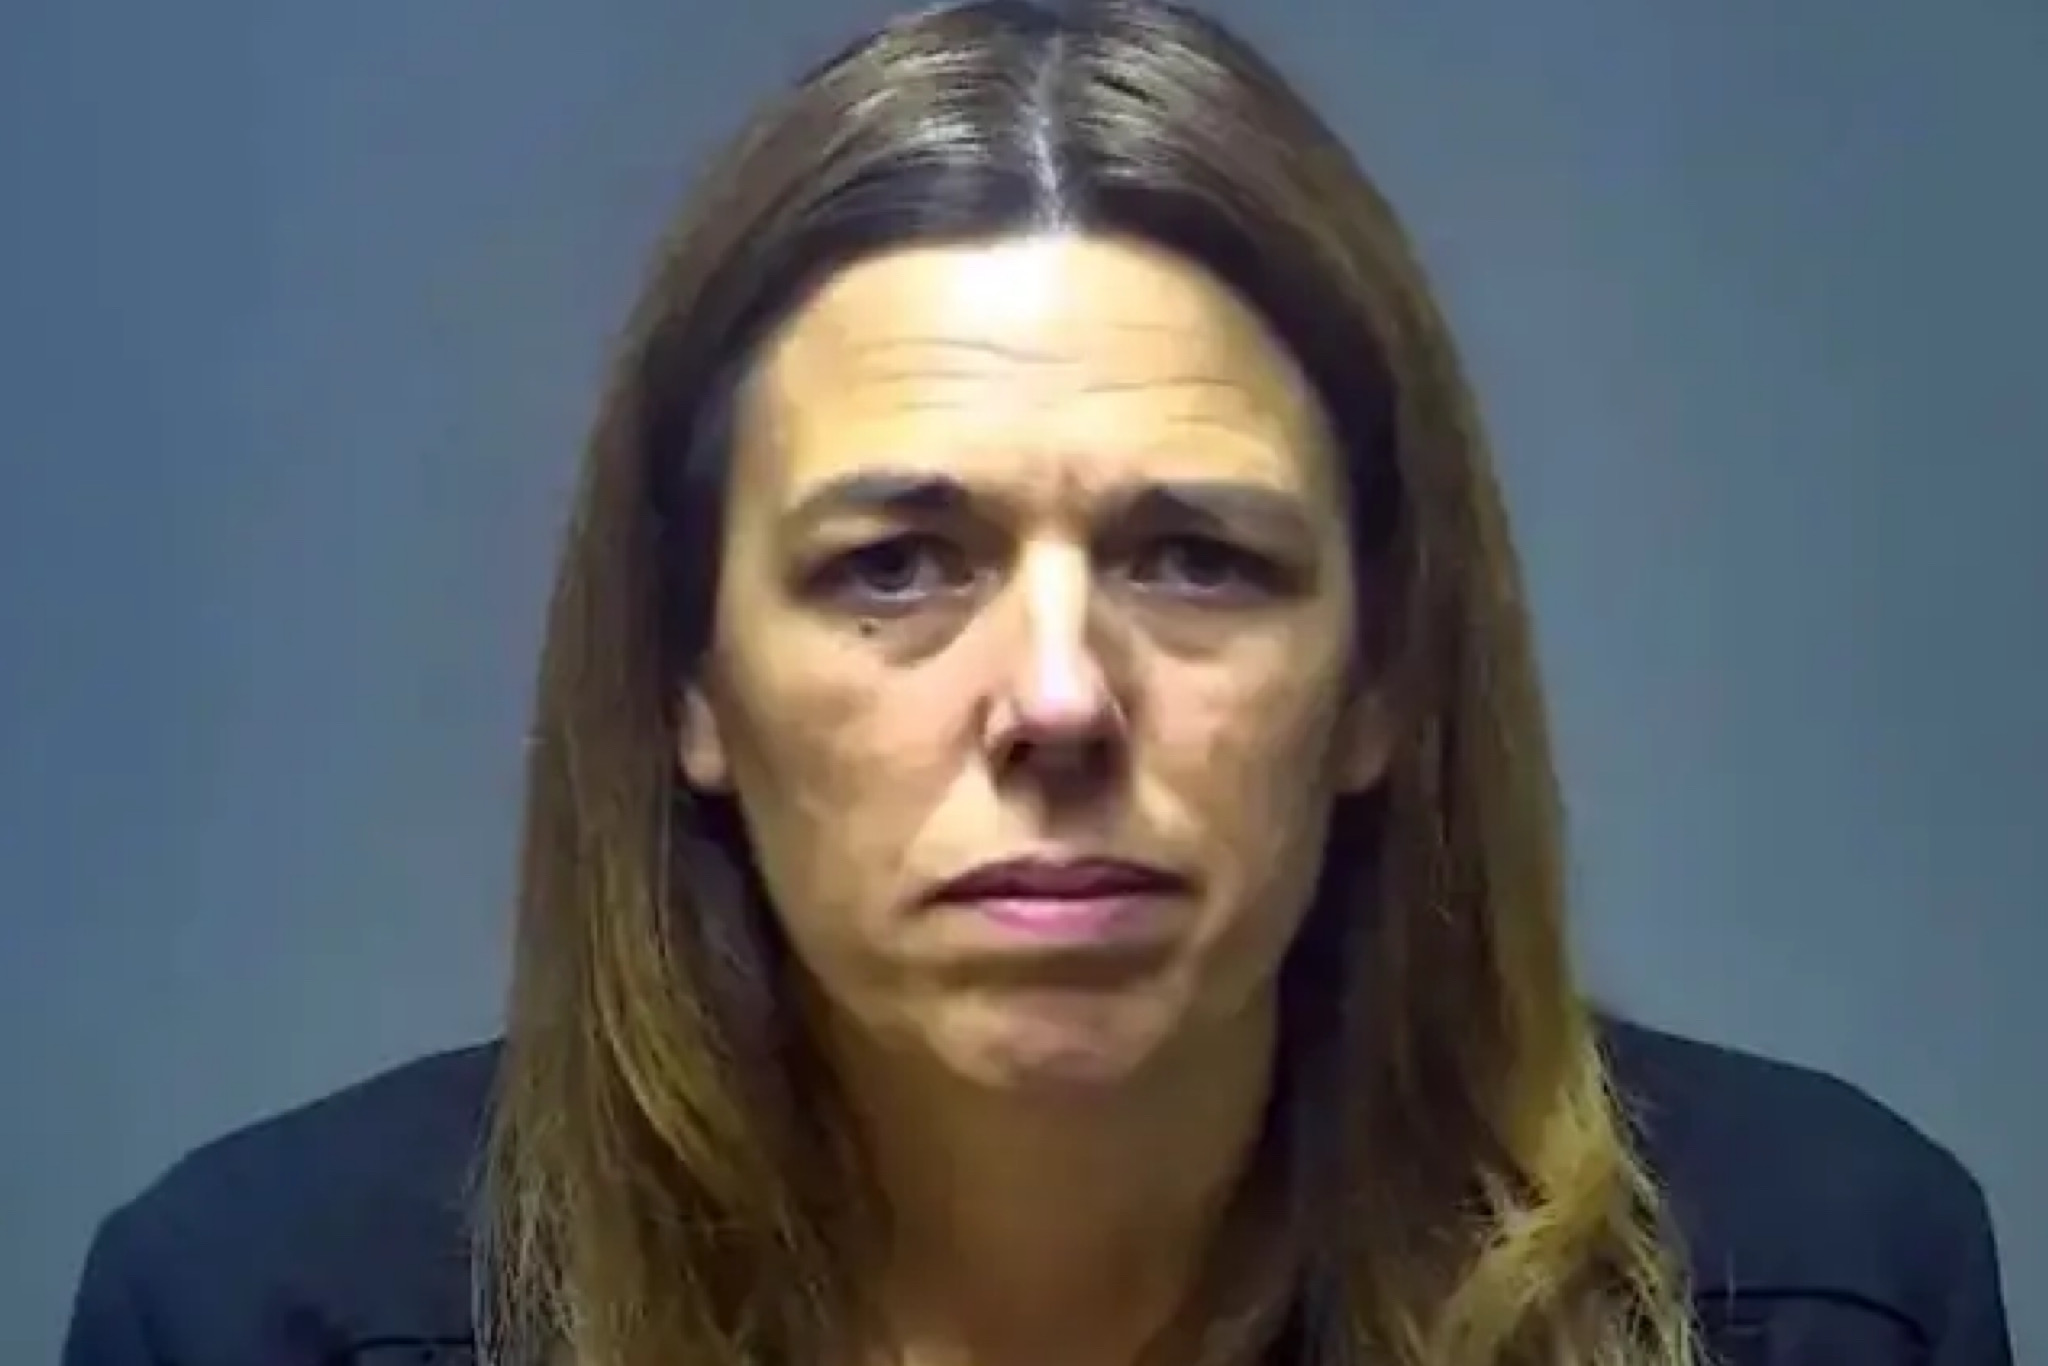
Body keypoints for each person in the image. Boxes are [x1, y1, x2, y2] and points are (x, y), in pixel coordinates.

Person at [62, 3, 2013, 1365]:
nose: (1060, 697)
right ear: (689, 684)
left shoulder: (1819, 1287)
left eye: (1197, 557)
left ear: (1382, 679)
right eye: (896, 564)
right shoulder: (258, 1314)